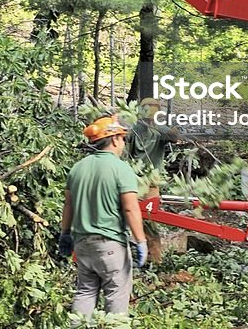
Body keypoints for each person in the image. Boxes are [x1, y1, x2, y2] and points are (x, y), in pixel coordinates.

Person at [59, 115, 148, 317]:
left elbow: (68, 204)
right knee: (116, 295)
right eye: (123, 139)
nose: (123, 144)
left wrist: (65, 233)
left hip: (82, 244)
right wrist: (141, 241)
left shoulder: (77, 169)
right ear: (115, 139)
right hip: (111, 245)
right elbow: (130, 209)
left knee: (85, 292)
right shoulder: (121, 169)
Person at [127, 98, 181, 263]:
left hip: (151, 183)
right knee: (128, 218)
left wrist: (175, 128)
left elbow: (174, 137)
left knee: (151, 221)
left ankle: (154, 260)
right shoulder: (134, 130)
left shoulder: (160, 130)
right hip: (134, 181)